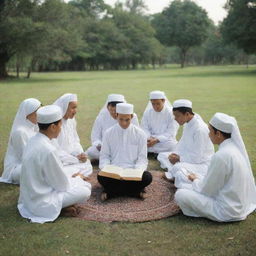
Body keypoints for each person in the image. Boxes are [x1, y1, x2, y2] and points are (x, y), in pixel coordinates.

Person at [175, 112, 256, 222]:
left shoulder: (222, 156)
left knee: (181, 194)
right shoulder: (233, 149)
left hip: (226, 211)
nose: (208, 135)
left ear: (218, 134)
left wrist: (195, 180)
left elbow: (207, 190)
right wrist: (197, 179)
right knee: (188, 181)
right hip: (236, 205)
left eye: (210, 131)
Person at [18, 105, 91, 224]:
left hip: (29, 198)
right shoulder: (48, 150)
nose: (61, 128)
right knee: (86, 189)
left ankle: (63, 207)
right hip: (41, 202)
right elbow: (62, 185)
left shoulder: (33, 141)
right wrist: (78, 179)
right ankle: (59, 209)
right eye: (60, 125)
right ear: (52, 127)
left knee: (74, 175)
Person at [98, 103, 152, 200]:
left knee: (147, 177)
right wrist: (106, 169)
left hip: (133, 172)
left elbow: (142, 158)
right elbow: (104, 156)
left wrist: (137, 172)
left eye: (127, 120)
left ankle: (112, 192)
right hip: (114, 172)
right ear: (116, 116)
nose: (124, 123)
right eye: (121, 119)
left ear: (132, 117)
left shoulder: (140, 134)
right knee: (101, 176)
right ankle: (135, 192)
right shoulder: (108, 133)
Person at [157, 99, 214, 189]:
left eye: (177, 116)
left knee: (178, 169)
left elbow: (197, 157)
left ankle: (178, 175)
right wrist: (175, 154)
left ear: (187, 114)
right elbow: (182, 143)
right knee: (162, 156)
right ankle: (175, 174)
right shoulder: (188, 123)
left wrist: (179, 158)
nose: (175, 119)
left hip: (201, 164)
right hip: (187, 157)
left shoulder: (200, 129)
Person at [86, 94, 139, 160]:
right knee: (91, 151)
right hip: (106, 148)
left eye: (116, 111)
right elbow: (95, 137)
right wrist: (99, 145)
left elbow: (136, 136)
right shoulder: (101, 117)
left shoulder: (132, 116)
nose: (113, 113)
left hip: (125, 147)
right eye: (111, 110)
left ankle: (108, 159)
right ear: (107, 107)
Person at [0, 98, 41, 184]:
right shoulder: (20, 132)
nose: (40, 114)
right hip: (16, 168)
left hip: (31, 163)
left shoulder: (34, 128)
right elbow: (25, 158)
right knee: (35, 169)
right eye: (37, 112)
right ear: (27, 114)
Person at [53, 93, 92, 176]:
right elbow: (55, 151)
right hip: (61, 160)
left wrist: (80, 154)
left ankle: (74, 175)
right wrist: (74, 159)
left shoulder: (72, 121)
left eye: (76, 107)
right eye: (73, 108)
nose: (75, 111)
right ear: (64, 107)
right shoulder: (55, 124)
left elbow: (75, 140)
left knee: (87, 165)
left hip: (73, 158)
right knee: (60, 170)